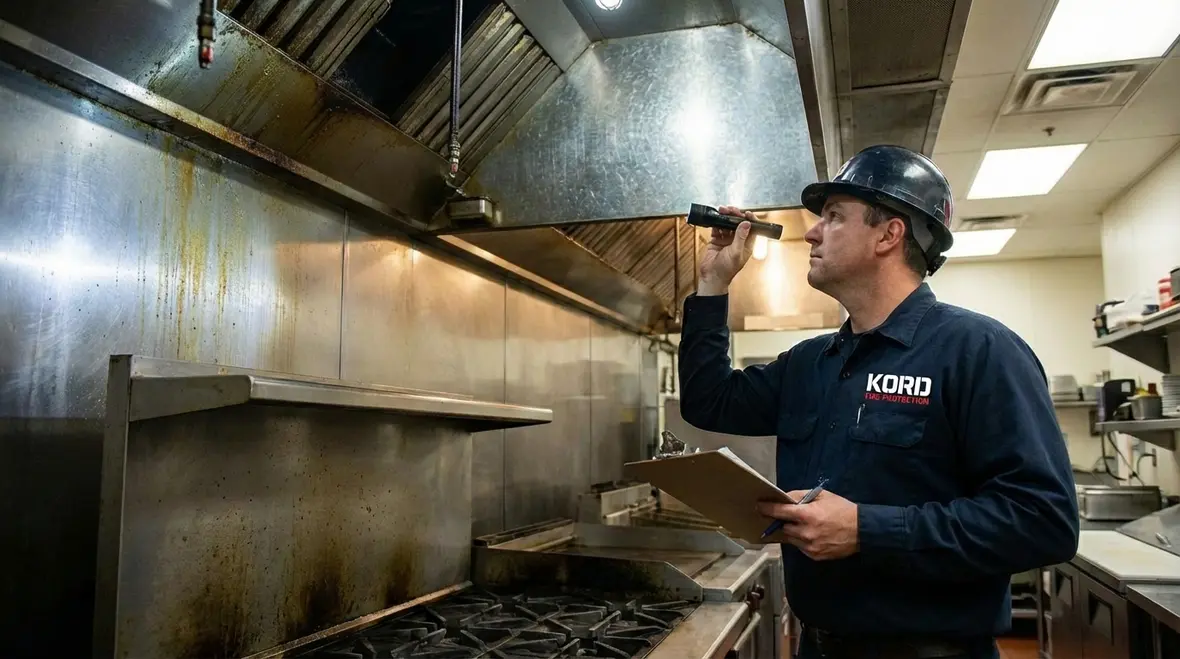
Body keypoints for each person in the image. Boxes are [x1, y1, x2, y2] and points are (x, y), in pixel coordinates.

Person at [677, 145, 1079, 659]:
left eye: (834, 216)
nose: (812, 232)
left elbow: (1044, 521)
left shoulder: (979, 351)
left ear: (889, 234)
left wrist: (867, 530)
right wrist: (713, 282)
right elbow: (708, 403)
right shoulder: (809, 363)